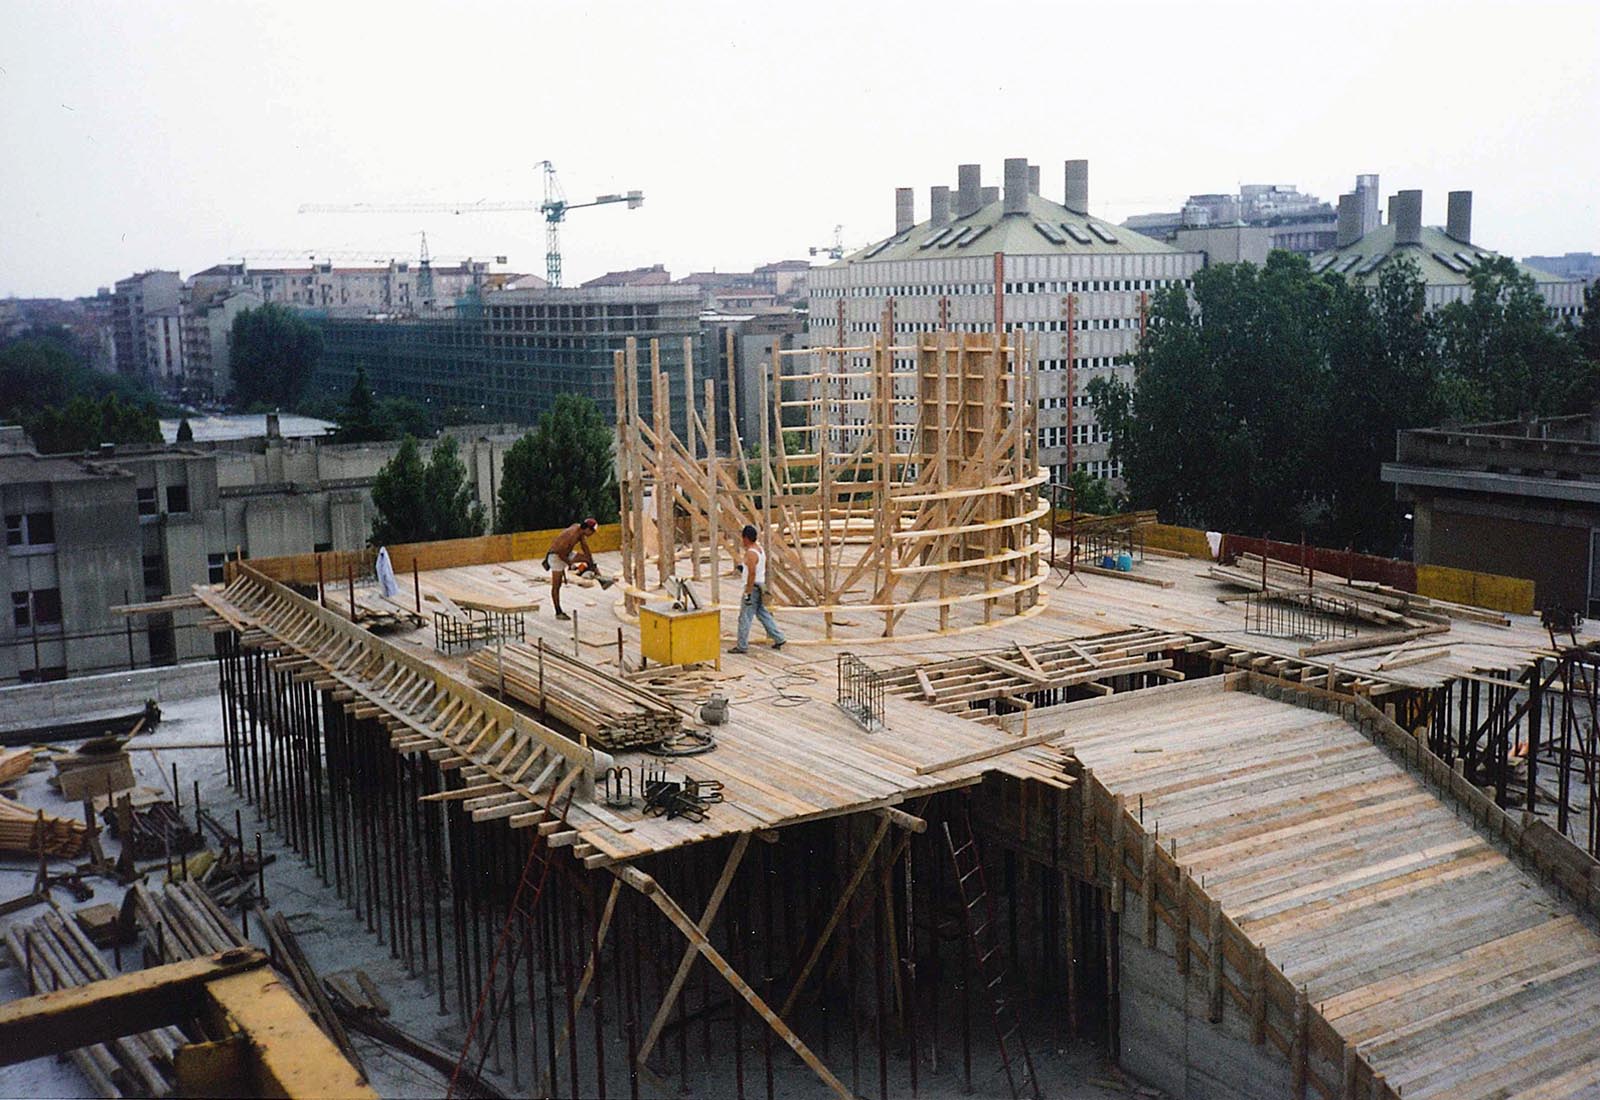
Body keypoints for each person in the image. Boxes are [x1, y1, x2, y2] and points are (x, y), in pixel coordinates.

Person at [729, 523, 785, 653]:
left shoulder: (751, 553)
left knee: (745, 617)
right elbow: (754, 569)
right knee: (762, 613)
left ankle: (742, 646)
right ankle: (779, 637)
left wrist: (747, 592)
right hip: (760, 585)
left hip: (753, 587)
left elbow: (752, 573)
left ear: (746, 538)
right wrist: (744, 569)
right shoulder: (760, 550)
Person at [544, 518, 603, 621]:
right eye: (592, 531)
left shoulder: (580, 530)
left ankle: (594, 574)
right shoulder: (571, 536)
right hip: (556, 557)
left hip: (566, 553)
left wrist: (593, 565)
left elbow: (585, 547)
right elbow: (560, 553)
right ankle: (558, 611)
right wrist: (570, 565)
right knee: (556, 586)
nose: (592, 534)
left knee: (586, 558)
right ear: (587, 529)